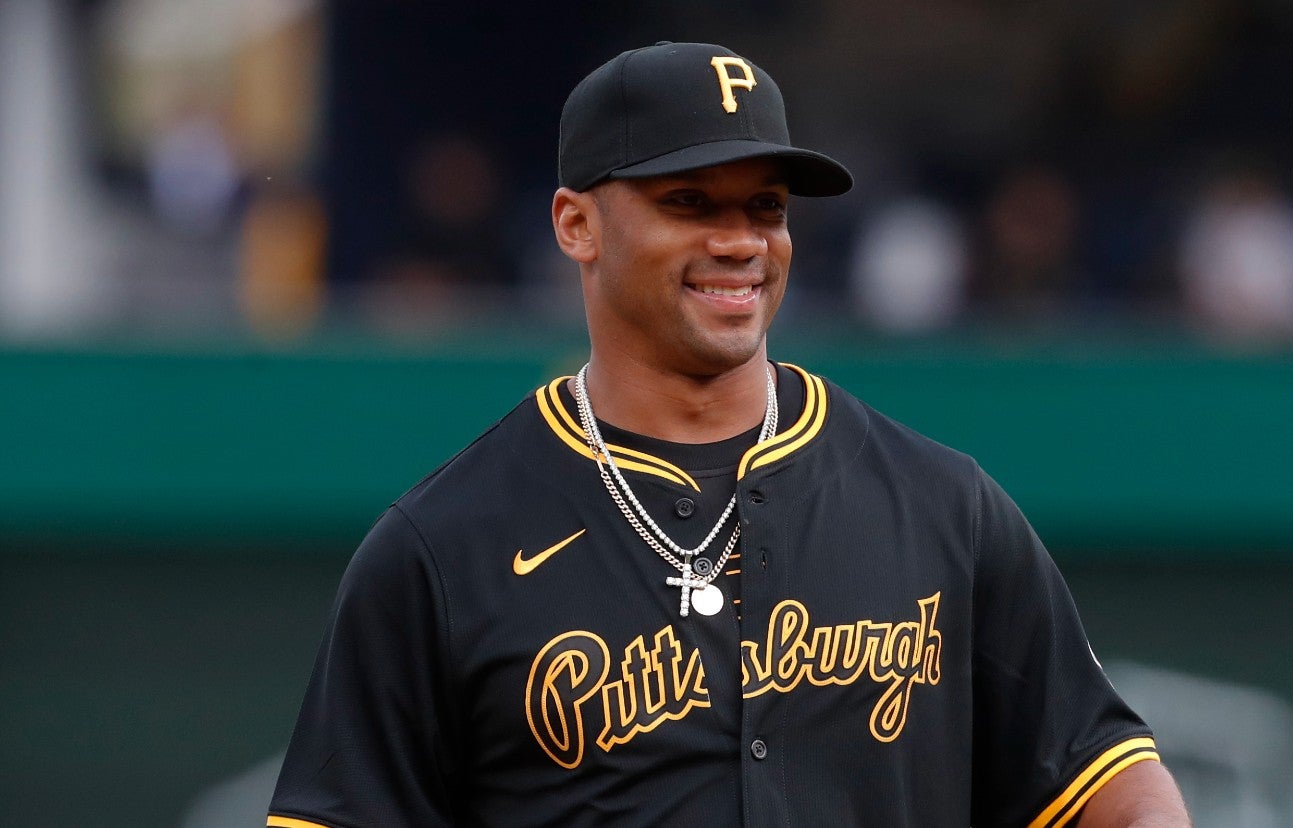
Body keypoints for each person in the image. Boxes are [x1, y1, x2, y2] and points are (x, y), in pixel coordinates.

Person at [266, 42, 1189, 828]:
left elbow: (1124, 794)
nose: (742, 240)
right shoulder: (442, 549)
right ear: (577, 225)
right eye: (690, 204)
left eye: (766, 207)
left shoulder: (946, 508)